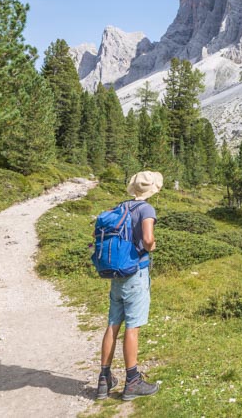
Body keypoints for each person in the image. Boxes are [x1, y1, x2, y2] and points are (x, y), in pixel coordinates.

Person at [96, 170, 162, 401]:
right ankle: (132, 381)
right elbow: (148, 238)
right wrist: (150, 247)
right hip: (135, 273)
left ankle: (104, 379)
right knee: (132, 327)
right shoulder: (146, 209)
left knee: (113, 323)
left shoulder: (121, 206)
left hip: (117, 274)